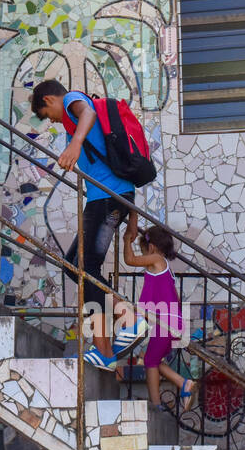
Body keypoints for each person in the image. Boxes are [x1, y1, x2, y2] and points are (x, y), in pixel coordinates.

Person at [31, 78, 148, 370]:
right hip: (114, 197)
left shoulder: (73, 100)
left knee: (82, 266)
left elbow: (88, 112)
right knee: (79, 267)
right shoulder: (75, 116)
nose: (55, 121)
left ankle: (129, 319)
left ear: (48, 100)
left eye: (49, 116)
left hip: (106, 199)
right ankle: (104, 351)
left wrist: (74, 144)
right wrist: (133, 216)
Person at [121, 210, 196, 412]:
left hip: (166, 323)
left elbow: (129, 260)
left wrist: (127, 240)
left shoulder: (156, 259)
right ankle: (182, 384)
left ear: (151, 247)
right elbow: (175, 299)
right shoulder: (166, 269)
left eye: (144, 250)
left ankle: (159, 402)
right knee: (151, 360)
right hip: (171, 322)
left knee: (150, 362)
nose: (144, 256)